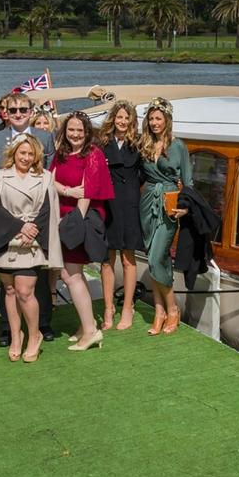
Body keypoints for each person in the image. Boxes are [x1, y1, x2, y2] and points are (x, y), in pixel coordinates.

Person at [0, 134, 62, 363]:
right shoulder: (1, 176)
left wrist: (31, 229)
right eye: (22, 152)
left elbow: (49, 209)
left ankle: (34, 335)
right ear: (14, 153)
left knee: (24, 290)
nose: (26, 157)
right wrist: (19, 226)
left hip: (31, 242)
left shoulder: (45, 177)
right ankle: (15, 335)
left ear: (36, 156)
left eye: (31, 154)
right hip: (7, 240)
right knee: (10, 290)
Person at [0, 92, 56, 344]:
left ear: (31, 111)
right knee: (9, 284)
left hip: (36, 217)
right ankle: (9, 328)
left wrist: (34, 225)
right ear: (5, 111)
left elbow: (48, 176)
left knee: (37, 276)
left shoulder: (46, 137)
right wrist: (14, 224)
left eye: (22, 110)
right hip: (8, 219)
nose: (17, 114)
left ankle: (42, 324)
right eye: (12, 110)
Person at [50, 111, 113, 351]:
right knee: (73, 273)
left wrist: (72, 222)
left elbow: (87, 192)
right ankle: (84, 325)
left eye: (80, 130)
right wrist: (67, 190)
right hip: (64, 214)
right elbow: (50, 181)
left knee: (70, 274)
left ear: (87, 132)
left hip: (80, 218)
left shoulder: (94, 154)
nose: (75, 134)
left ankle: (90, 331)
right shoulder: (62, 153)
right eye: (71, 130)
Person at [139, 98, 191, 336]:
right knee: (152, 255)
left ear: (167, 120)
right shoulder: (145, 144)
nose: (154, 122)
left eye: (158, 118)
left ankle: (172, 309)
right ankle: (159, 311)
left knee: (157, 256)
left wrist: (185, 207)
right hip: (148, 199)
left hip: (168, 202)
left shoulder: (178, 146)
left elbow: (188, 182)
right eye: (151, 118)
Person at [99, 101, 143, 330]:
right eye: (119, 117)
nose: (123, 121)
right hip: (108, 205)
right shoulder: (103, 143)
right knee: (107, 259)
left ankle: (127, 307)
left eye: (127, 118)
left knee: (128, 258)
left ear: (132, 121)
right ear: (113, 119)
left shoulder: (138, 144)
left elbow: (144, 174)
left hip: (130, 205)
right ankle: (108, 308)